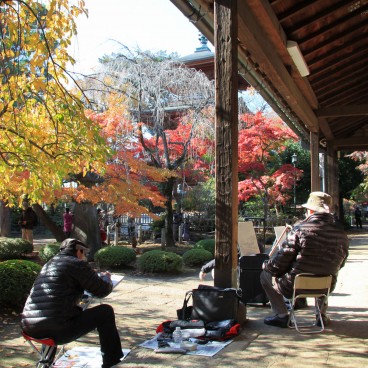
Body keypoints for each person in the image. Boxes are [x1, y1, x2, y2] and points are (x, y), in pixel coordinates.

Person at [21, 238, 124, 368]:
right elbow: (102, 290)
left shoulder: (49, 264)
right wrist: (106, 277)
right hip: (60, 330)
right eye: (84, 253)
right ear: (78, 252)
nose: (85, 257)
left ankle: (46, 361)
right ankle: (112, 362)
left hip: (29, 328)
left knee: (51, 315)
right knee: (105, 311)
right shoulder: (76, 263)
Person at [260, 191, 349, 328]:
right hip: (326, 285)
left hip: (296, 285)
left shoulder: (299, 230)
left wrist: (267, 266)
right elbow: (341, 262)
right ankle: (321, 315)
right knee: (328, 271)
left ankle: (282, 315)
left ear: (311, 210)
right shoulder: (341, 233)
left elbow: (281, 262)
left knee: (265, 275)